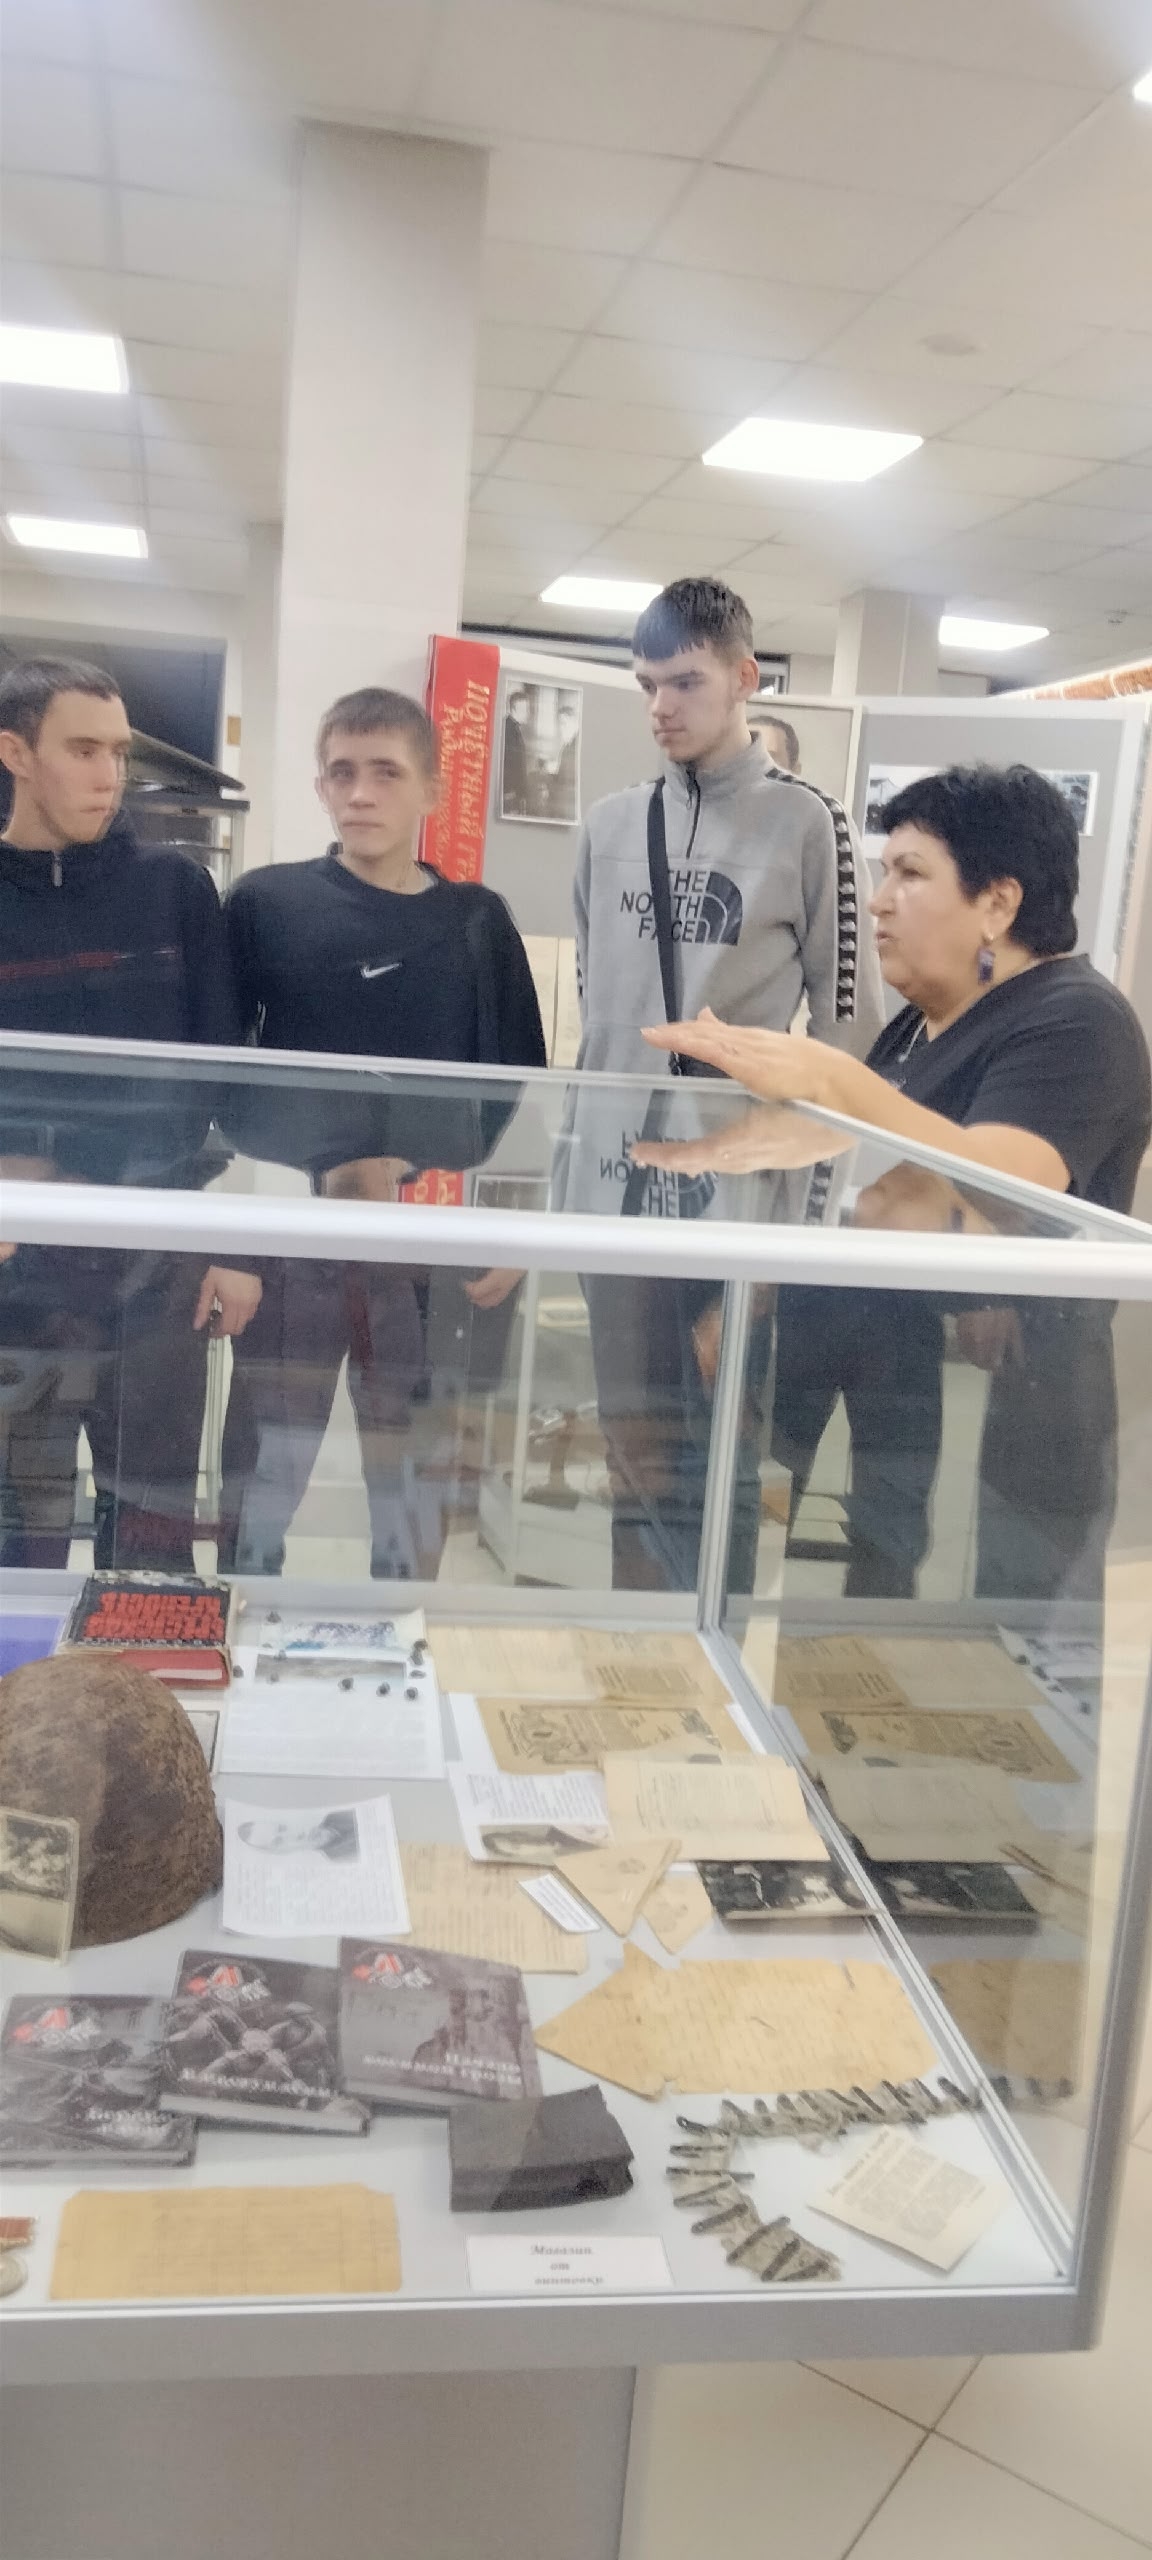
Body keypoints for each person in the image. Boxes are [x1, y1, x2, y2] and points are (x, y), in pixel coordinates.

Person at [636, 762, 1152, 1601]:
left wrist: (833, 1079)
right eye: (883, 873)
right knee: (824, 1614)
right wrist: (749, 1289)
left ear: (998, 903)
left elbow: (1004, 1184)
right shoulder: (919, 1023)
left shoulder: (1076, 1020)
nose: (878, 902)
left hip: (1007, 1405)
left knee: (977, 1648)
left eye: (909, 873)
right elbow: (856, 1181)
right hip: (858, 1361)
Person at [573, 576, 884, 1592]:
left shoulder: (810, 825)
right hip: (612, 1202)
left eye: (686, 683)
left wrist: (802, 1240)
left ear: (744, 678)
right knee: (631, 1449)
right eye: (647, 685)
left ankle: (710, 1662)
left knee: (725, 1460)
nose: (661, 707)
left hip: (738, 1207)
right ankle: (632, 1656)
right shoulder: (610, 824)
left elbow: (849, 1041)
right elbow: (596, 1012)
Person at [219, 684, 545, 1579]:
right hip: (292, 1236)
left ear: (431, 789)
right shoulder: (265, 906)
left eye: (387, 773)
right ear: (320, 786)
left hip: (426, 1244)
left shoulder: (476, 923)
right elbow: (212, 1078)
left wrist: (516, 1222)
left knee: (414, 1471)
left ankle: (398, 1624)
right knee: (266, 1459)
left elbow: (521, 1086)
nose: (361, 793)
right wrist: (226, 1245)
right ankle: (243, 1613)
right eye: (342, 773)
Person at [0, 655, 261, 1570]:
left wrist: (229, 1240)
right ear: (15, 753)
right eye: (82, 749)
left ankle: (142, 1665)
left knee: (151, 1536)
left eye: (117, 751)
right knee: (15, 1533)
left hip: (156, 1257)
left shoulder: (176, 892)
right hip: (15, 1266)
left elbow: (221, 1079)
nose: (109, 773)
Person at [501, 686, 532, 816]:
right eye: (525, 709)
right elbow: (511, 766)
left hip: (512, 793)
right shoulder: (508, 730)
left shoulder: (513, 729)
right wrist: (517, 793)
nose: (528, 713)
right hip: (509, 793)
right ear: (514, 709)